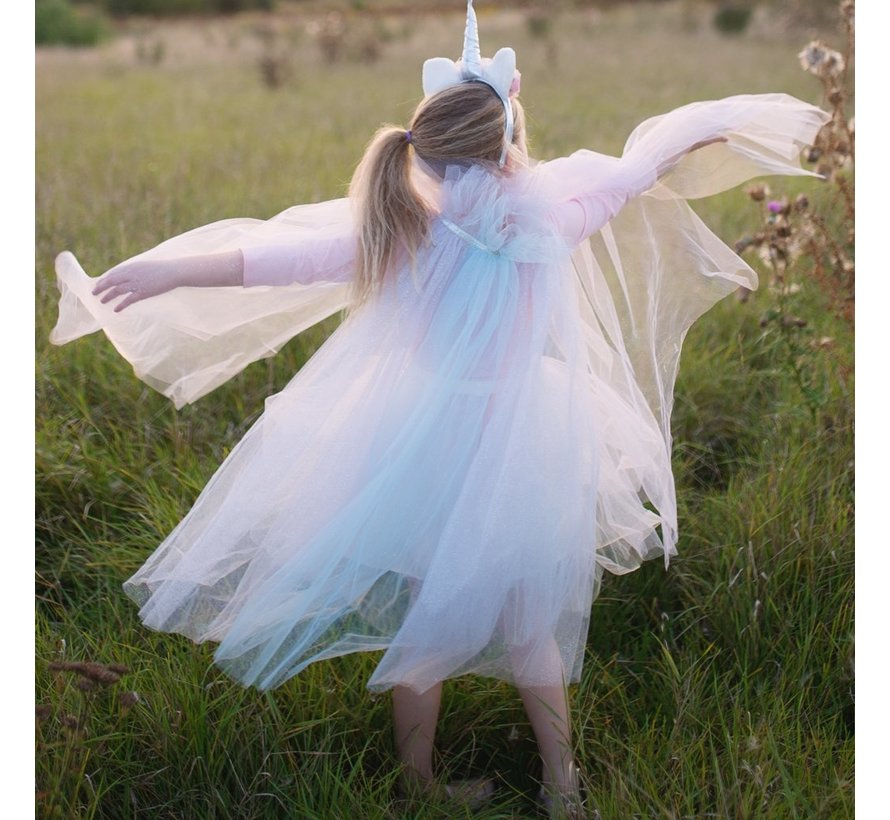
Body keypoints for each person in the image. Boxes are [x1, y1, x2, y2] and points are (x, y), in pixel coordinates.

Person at [50, 2, 828, 816]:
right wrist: (713, 127)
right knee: (533, 627)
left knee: (424, 625)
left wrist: (170, 274)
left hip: (418, 441)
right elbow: (639, 169)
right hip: (528, 436)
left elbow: (271, 262)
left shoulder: (396, 232)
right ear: (510, 143)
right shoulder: (554, 219)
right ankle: (562, 785)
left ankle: (418, 783)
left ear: (423, 155)